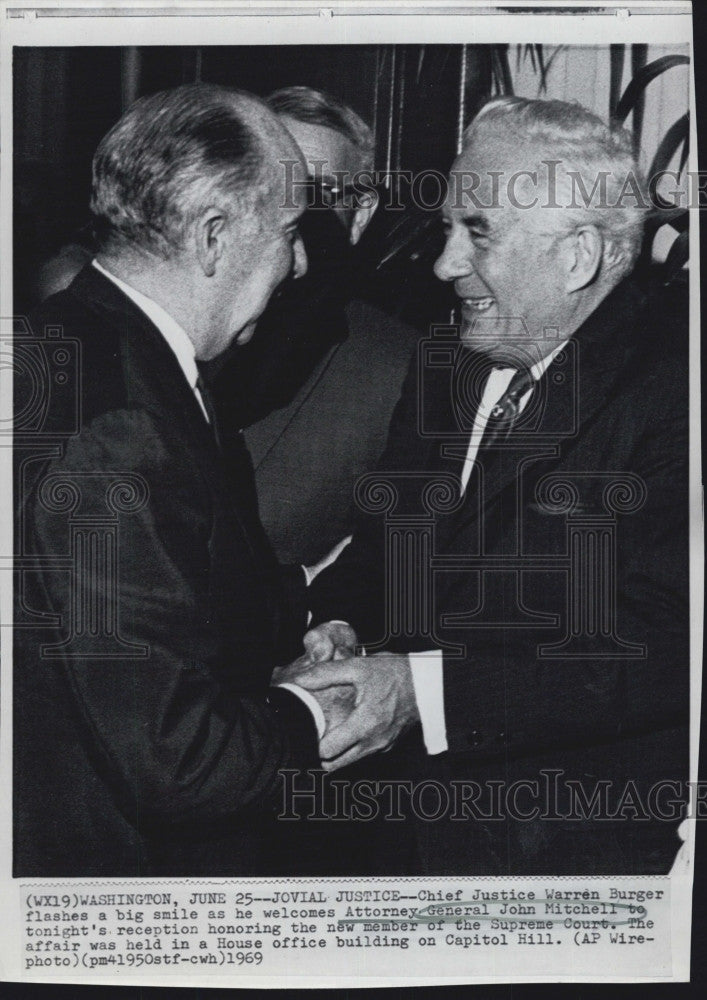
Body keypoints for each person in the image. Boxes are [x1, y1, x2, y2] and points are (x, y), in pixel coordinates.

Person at [277, 97, 690, 875]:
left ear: (577, 258)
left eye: (478, 234)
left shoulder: (678, 389)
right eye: (446, 230)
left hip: (566, 853)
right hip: (403, 829)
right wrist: (339, 621)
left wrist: (422, 696)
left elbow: (662, 645)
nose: (443, 266)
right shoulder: (449, 362)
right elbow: (387, 542)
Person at [13, 83, 355, 877]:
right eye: (289, 233)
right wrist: (318, 708)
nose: (298, 265)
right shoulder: (121, 430)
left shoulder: (69, 347)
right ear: (212, 236)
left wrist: (300, 603)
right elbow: (179, 761)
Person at [212, 86, 421, 564]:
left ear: (360, 215)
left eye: (320, 192)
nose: (295, 212)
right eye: (270, 186)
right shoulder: (180, 326)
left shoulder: (405, 373)